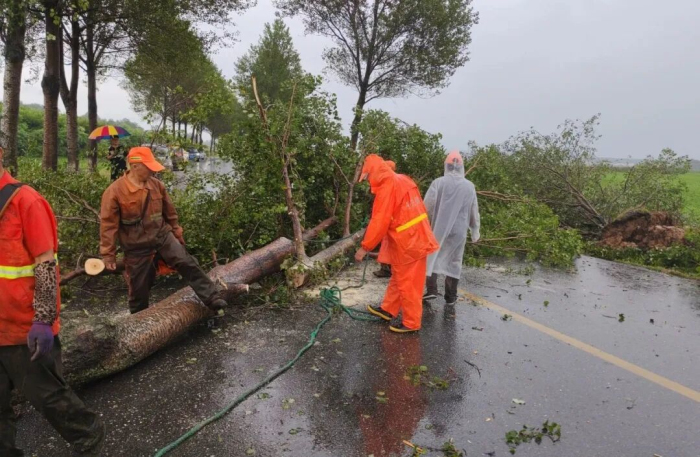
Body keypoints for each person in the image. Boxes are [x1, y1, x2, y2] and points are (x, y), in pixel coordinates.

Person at [0, 146, 105, 457]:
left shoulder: (26, 201)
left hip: (22, 327)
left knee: (48, 397)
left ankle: (88, 437)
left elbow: (46, 264)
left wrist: (43, 319)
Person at [99, 146, 227, 314]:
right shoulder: (115, 192)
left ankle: (212, 297)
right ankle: (138, 318)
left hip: (162, 236)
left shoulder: (157, 186)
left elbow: (170, 212)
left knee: (186, 262)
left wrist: (177, 232)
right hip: (136, 245)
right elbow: (108, 226)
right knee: (139, 287)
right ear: (135, 166)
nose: (152, 171)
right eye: (148, 167)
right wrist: (108, 254)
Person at [354, 154, 439, 333]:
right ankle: (388, 309)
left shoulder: (387, 187)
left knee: (409, 283)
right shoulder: (402, 179)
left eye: (367, 177)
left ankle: (411, 323)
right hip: (414, 237)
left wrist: (364, 247)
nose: (368, 181)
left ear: (374, 172)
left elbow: (380, 221)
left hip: (409, 242)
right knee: (400, 277)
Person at [423, 151, 480, 305]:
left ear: (446, 165)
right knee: (455, 261)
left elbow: (427, 206)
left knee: (433, 256)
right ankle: (451, 296)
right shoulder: (469, 186)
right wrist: (475, 230)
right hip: (459, 230)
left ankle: (432, 290)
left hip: (439, 227)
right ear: (461, 166)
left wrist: (424, 225)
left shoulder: (438, 183)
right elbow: (473, 210)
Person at [372, 160, 396, 278]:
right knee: (389, 245)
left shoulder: (390, 183)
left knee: (388, 246)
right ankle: (388, 268)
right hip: (392, 220)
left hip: (391, 221)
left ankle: (387, 269)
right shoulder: (394, 181)